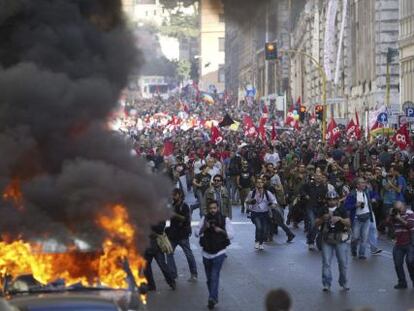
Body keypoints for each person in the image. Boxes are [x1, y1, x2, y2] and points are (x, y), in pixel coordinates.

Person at [196, 200, 234, 309]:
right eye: (210, 208)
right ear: (208, 209)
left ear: (218, 208)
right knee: (209, 279)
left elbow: (231, 235)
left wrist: (221, 230)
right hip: (206, 253)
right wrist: (205, 227)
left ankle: (212, 298)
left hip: (219, 252)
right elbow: (196, 233)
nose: (212, 210)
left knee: (214, 276)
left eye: (214, 208)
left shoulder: (224, 219)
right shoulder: (204, 219)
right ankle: (214, 297)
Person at [315, 190, 351, 291]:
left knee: (343, 262)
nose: (332, 201)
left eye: (334, 199)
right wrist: (322, 219)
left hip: (340, 238)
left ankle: (344, 282)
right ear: (327, 200)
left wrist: (340, 219)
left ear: (337, 199)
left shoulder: (342, 209)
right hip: (326, 238)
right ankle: (326, 283)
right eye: (330, 199)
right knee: (326, 262)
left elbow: (349, 223)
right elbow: (316, 223)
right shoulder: (322, 209)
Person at [166, 188, 198, 282]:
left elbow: (185, 219)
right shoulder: (173, 205)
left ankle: (194, 274)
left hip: (182, 235)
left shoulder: (184, 206)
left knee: (188, 254)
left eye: (174, 195)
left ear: (179, 195)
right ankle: (173, 274)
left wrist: (174, 214)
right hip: (173, 235)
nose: (172, 197)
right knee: (169, 253)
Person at [345, 178, 375, 260]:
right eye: (362, 183)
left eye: (364, 183)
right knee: (355, 237)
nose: (364, 184)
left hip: (367, 217)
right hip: (357, 218)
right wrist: (355, 205)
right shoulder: (352, 194)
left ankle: (362, 254)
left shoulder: (367, 192)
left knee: (364, 237)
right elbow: (346, 206)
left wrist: (374, 198)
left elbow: (376, 194)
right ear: (357, 185)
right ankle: (353, 250)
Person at [388, 201, 414, 289]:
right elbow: (384, 224)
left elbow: (410, 225)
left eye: (400, 208)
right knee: (398, 264)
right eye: (397, 209)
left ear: (404, 206)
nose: (399, 211)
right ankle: (402, 283)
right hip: (399, 243)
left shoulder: (409, 213)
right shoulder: (394, 215)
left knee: (410, 262)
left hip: (410, 242)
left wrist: (400, 219)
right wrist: (390, 215)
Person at [246, 177, 277, 250]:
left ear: (263, 184)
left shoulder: (267, 193)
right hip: (255, 213)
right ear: (255, 184)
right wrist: (250, 201)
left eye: (261, 182)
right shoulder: (252, 193)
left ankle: (261, 242)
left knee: (264, 229)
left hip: (265, 213)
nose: (259, 184)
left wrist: (273, 205)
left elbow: (274, 201)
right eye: (258, 182)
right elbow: (246, 201)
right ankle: (257, 241)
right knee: (259, 227)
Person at [144, 221, 176, 291]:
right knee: (146, 267)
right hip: (146, 245)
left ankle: (171, 282)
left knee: (162, 265)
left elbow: (161, 229)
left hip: (157, 246)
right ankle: (151, 285)